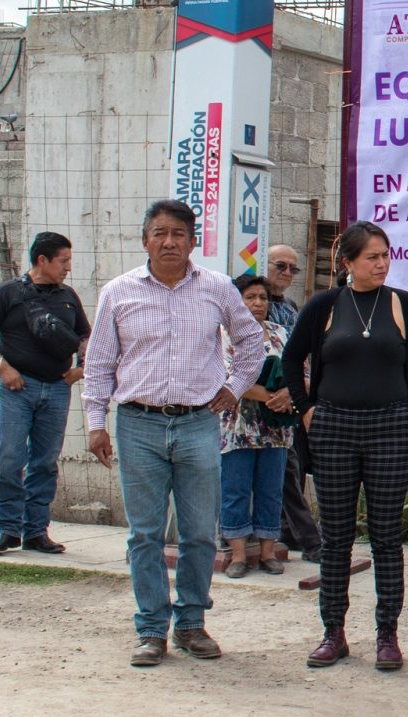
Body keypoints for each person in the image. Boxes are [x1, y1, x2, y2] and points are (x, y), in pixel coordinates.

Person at [83, 200, 264, 668]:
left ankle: (190, 624)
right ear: (145, 240)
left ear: (192, 240)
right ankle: (150, 630)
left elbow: (251, 343)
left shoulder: (218, 288)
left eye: (178, 233)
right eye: (159, 233)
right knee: (144, 534)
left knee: (200, 532)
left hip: (198, 424)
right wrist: (95, 423)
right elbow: (99, 362)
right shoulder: (118, 292)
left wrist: (235, 387)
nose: (169, 242)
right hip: (137, 423)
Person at [282, 222, 408, 671]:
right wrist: (306, 409)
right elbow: (293, 358)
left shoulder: (402, 305)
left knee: (387, 537)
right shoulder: (325, 305)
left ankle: (387, 635)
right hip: (332, 426)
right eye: (372, 257)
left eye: (386, 255)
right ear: (348, 263)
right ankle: (333, 632)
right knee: (336, 538)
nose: (382, 263)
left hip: (390, 426)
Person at [0, 231, 91, 555]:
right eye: (63, 261)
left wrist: (81, 368)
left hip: (55, 390)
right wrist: (3, 367)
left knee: (45, 462)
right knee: (9, 458)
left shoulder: (68, 296)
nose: (68, 267)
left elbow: (86, 336)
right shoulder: (9, 293)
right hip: (17, 389)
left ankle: (37, 531)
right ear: (43, 260)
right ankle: (8, 530)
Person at [220, 273, 296, 579]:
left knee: (271, 490)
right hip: (237, 426)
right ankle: (238, 555)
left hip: (275, 429)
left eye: (263, 298)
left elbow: (300, 369)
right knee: (235, 489)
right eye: (250, 297)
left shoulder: (280, 333)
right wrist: (267, 396)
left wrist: (289, 393)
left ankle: (267, 552)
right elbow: (224, 375)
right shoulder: (223, 334)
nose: (258, 303)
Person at [265, 243, 321, 563]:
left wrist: (299, 390)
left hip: (292, 401)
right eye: (280, 266)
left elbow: (301, 357)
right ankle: (309, 539)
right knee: (282, 471)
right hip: (256, 403)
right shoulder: (246, 305)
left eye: (292, 269)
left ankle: (289, 532)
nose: (286, 273)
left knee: (293, 468)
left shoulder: (291, 309)